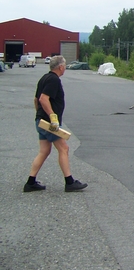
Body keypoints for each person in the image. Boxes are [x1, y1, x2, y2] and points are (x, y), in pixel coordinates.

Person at [23, 55, 88, 192]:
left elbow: (36, 100)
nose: (64, 68)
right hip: (49, 123)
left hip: (41, 121)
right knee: (64, 148)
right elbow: (43, 99)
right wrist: (52, 118)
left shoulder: (44, 78)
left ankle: (30, 182)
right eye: (64, 66)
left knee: (44, 151)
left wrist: (39, 115)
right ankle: (69, 182)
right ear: (61, 67)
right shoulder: (54, 80)